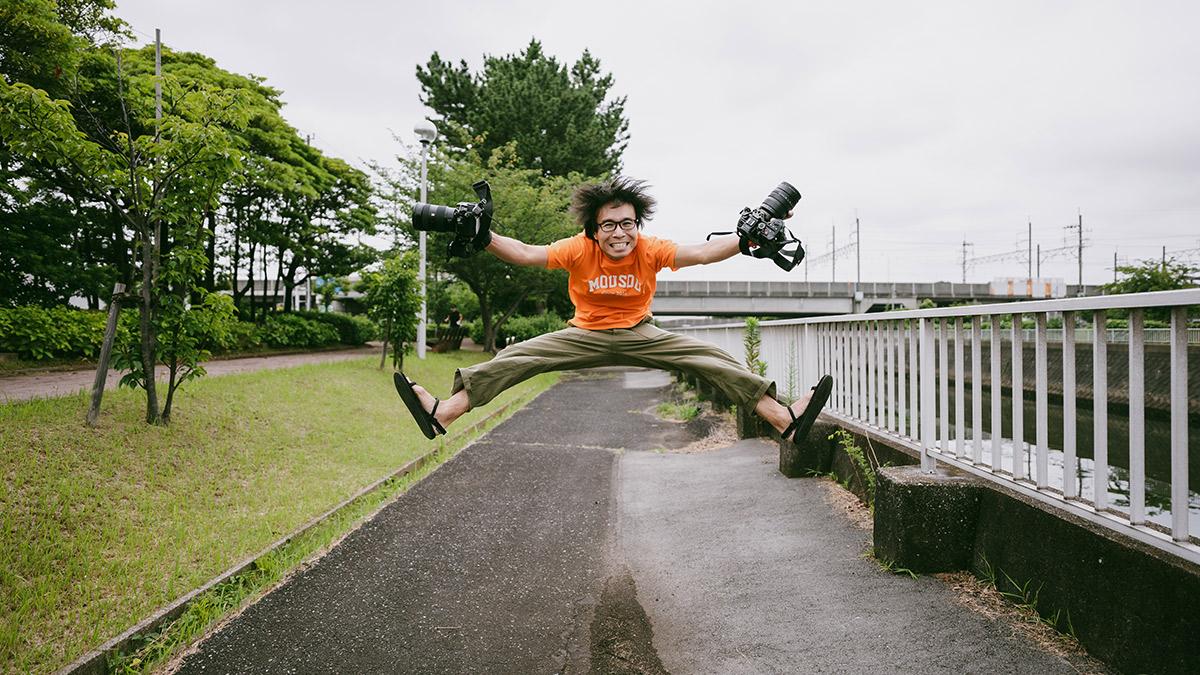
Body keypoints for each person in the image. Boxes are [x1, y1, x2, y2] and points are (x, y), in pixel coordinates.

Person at [395, 176, 832, 441]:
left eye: (627, 223)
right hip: (583, 334)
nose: (619, 233)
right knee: (519, 356)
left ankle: (783, 418)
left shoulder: (651, 248)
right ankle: (443, 412)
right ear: (594, 230)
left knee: (709, 357)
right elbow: (526, 253)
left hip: (641, 332)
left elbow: (700, 253)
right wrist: (484, 235)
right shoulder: (577, 248)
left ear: (636, 226)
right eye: (608, 225)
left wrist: (746, 239)